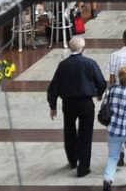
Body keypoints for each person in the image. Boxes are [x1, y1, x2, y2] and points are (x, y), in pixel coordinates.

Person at [47, 35, 106, 176]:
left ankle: (73, 160)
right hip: (86, 103)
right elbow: (101, 82)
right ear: (82, 48)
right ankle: (83, 167)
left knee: (69, 131)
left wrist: (53, 106)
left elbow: (53, 87)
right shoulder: (90, 63)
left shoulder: (63, 65)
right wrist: (99, 93)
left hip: (68, 103)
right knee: (85, 135)